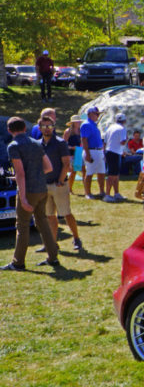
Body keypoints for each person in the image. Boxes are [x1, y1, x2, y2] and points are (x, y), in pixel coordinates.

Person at [2, 117, 59, 271]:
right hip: (42, 188)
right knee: (42, 222)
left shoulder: (13, 146)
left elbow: (20, 173)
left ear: (9, 130)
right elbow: (48, 167)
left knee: (22, 226)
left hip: (29, 190)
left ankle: (18, 262)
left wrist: (23, 197)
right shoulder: (36, 143)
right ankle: (53, 257)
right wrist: (34, 174)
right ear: (24, 129)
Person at [38, 115, 82, 251]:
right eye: (44, 126)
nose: (47, 129)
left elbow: (66, 163)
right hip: (45, 185)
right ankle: (51, 243)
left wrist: (60, 181)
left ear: (53, 127)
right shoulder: (38, 144)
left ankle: (76, 238)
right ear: (39, 128)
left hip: (59, 185)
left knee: (66, 213)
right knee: (50, 216)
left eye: (49, 126)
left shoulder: (60, 143)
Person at [101, 113, 128, 202]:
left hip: (110, 152)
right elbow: (122, 142)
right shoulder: (122, 129)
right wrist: (127, 138)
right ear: (124, 120)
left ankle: (116, 193)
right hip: (114, 153)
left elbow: (105, 141)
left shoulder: (110, 128)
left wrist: (104, 152)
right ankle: (107, 195)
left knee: (115, 175)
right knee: (112, 175)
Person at [80, 106, 105, 199]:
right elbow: (84, 139)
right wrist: (87, 153)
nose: (97, 116)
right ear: (90, 114)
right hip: (91, 150)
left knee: (101, 172)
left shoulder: (94, 125)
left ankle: (102, 191)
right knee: (89, 172)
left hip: (98, 150)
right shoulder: (86, 124)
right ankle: (87, 193)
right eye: (96, 114)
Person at [64, 117, 83, 194]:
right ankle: (67, 188)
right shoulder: (68, 131)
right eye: (76, 121)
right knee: (70, 170)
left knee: (75, 171)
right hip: (70, 153)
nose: (78, 123)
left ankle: (70, 188)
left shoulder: (80, 131)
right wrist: (72, 147)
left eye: (79, 121)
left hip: (78, 152)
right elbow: (64, 144)